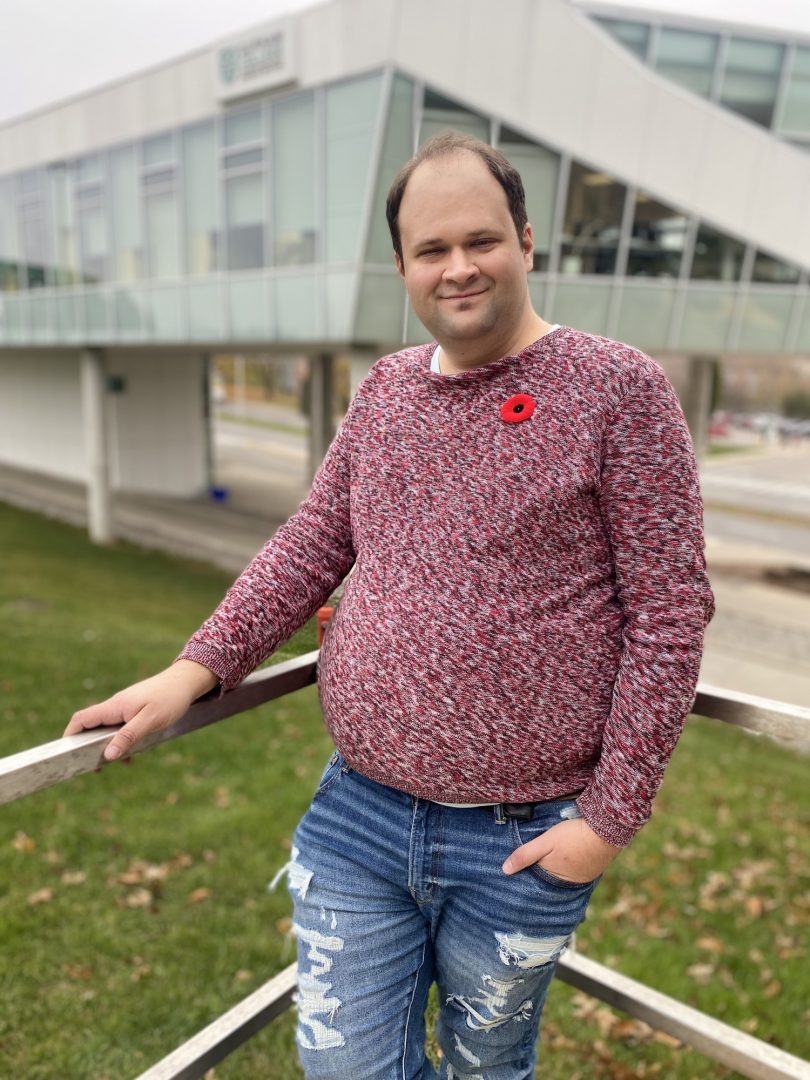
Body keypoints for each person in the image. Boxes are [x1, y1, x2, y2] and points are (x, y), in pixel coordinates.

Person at [65, 132, 715, 1079]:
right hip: (358, 818)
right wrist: (192, 670)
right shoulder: (385, 393)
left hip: (523, 840)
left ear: (527, 242)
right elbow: (312, 543)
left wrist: (607, 821)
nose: (459, 268)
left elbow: (669, 613)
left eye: (481, 240)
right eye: (431, 250)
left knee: (486, 1069)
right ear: (404, 266)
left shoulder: (620, 390)